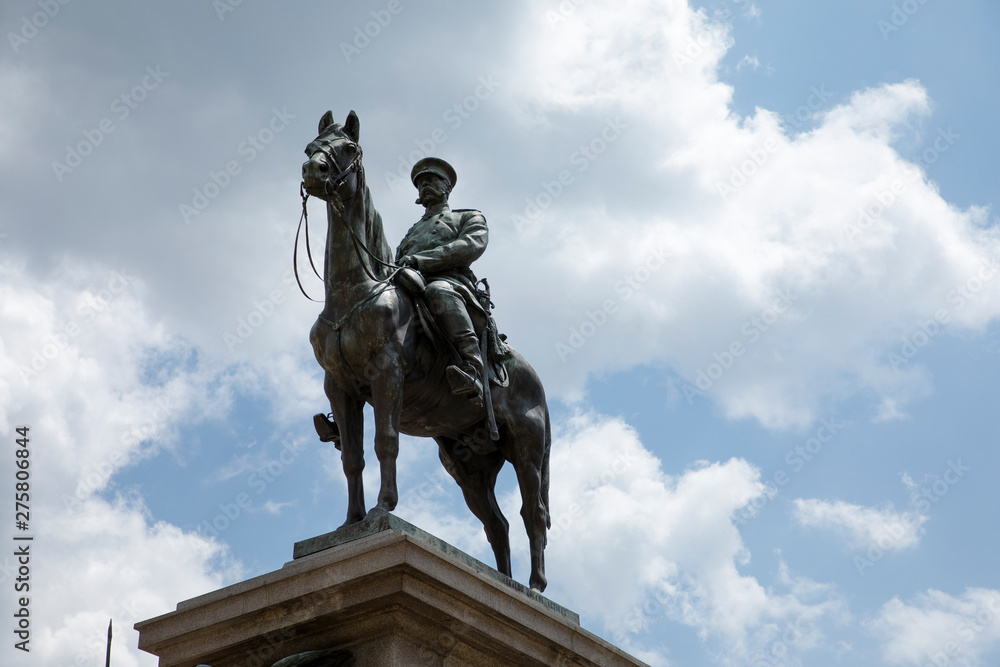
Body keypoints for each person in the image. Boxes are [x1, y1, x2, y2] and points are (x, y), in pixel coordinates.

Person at [395, 157, 488, 405]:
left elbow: (470, 246)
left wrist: (420, 261)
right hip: (409, 283)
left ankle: (472, 368)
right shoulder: (411, 232)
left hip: (451, 283)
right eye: (420, 182)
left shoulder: (468, 217)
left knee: (438, 292)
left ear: (446, 187)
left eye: (431, 179)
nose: (425, 184)